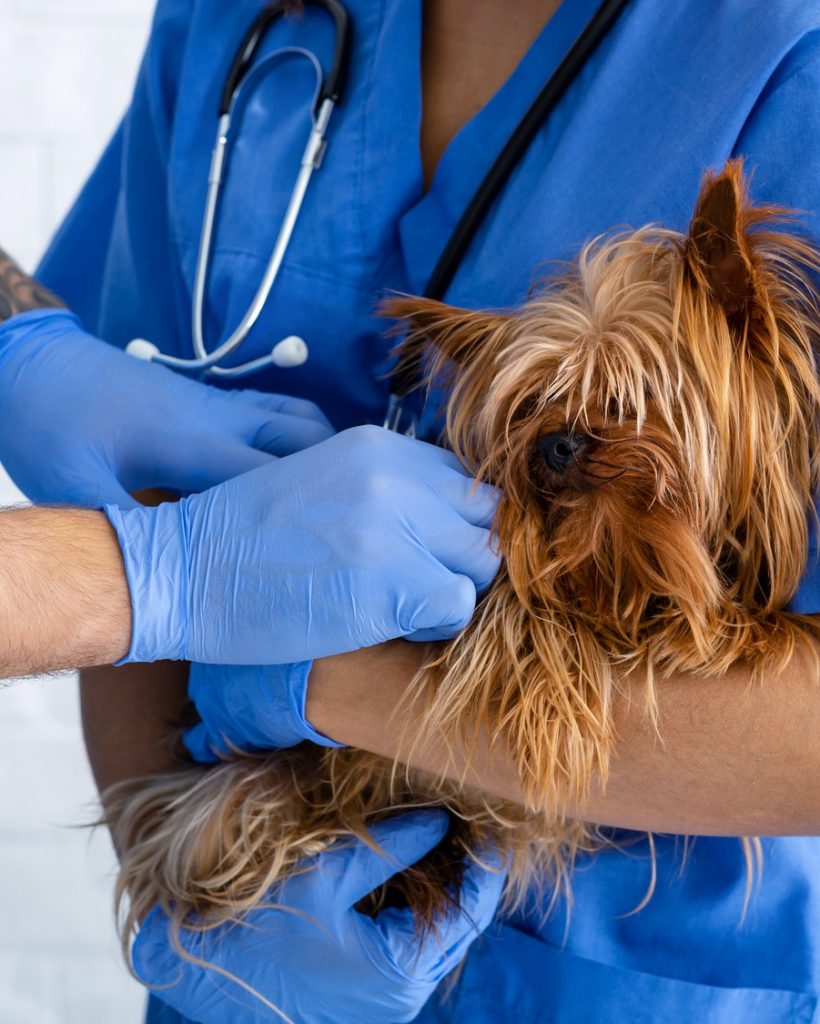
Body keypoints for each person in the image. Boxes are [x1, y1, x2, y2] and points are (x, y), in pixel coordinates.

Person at [15, 0, 820, 1020]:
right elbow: (136, 495)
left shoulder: (784, 54)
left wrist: (311, 671)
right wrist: (176, 891)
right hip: (243, 922)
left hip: (608, 979)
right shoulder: (227, 21)